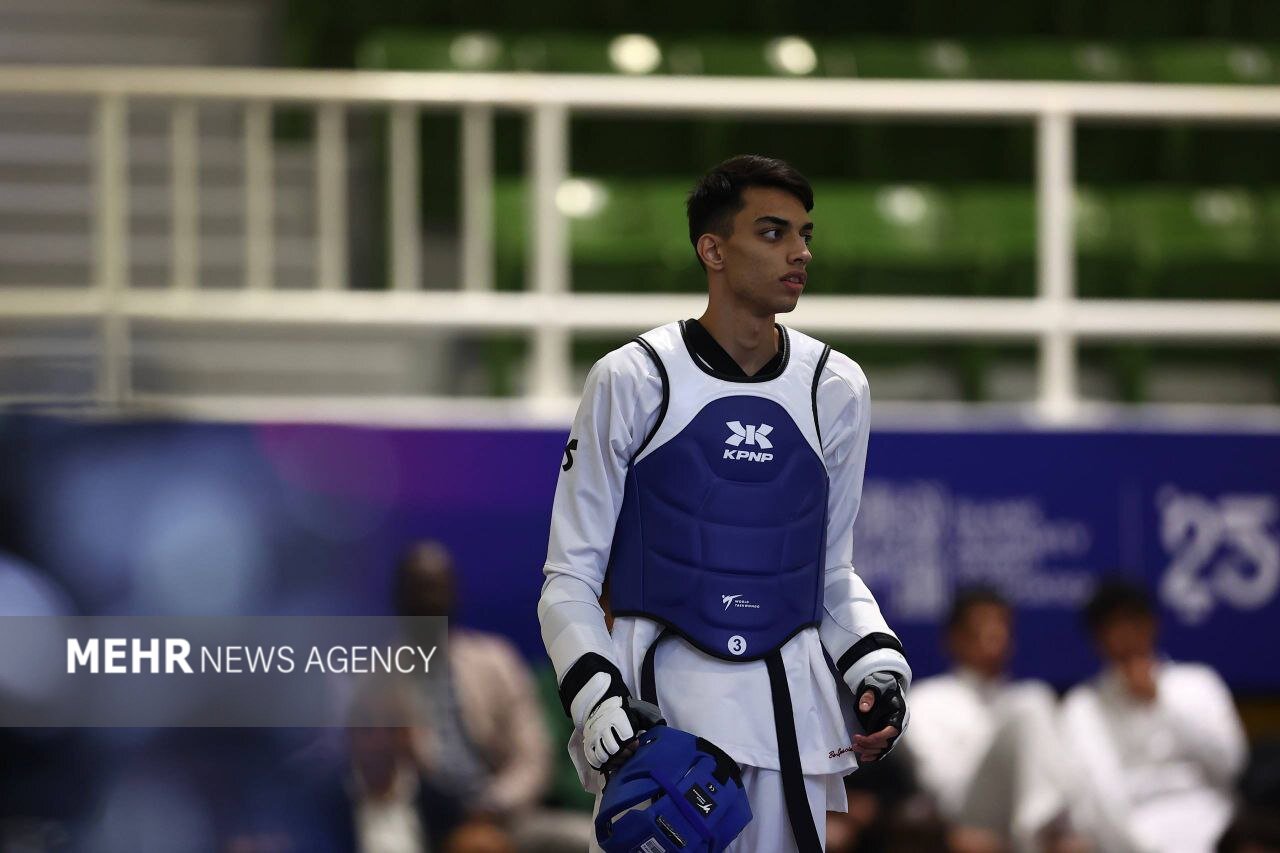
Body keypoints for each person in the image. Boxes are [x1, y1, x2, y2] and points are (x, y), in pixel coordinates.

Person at [537, 154, 912, 852]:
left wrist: (876, 665)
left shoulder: (836, 387)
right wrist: (595, 696)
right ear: (712, 249)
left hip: (791, 717)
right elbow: (569, 579)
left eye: (804, 234)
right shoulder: (632, 378)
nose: (800, 252)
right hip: (659, 720)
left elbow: (830, 572)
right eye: (773, 232)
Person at [397, 542, 593, 852]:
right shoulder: (377, 675)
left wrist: (493, 805)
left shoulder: (494, 660)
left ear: (453, 593)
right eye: (419, 589)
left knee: (590, 839)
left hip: (502, 814)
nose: (429, 600)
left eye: (436, 588)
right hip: (418, 818)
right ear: (400, 597)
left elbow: (533, 755)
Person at [1061, 578, 1248, 853]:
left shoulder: (1198, 682)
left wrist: (1161, 701)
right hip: (1133, 827)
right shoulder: (1082, 705)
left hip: (1208, 815)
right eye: (1112, 627)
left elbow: (1231, 764)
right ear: (1097, 639)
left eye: (1133, 622)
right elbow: (1095, 793)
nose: (1124, 635)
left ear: (1152, 624)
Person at [904, 586, 1082, 853]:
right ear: (955, 638)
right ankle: (1038, 837)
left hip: (1018, 812)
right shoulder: (928, 699)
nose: (994, 634)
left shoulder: (1017, 699)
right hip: (965, 810)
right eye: (982, 627)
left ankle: (1046, 829)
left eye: (1001, 626)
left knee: (1036, 700)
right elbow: (941, 786)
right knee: (1032, 700)